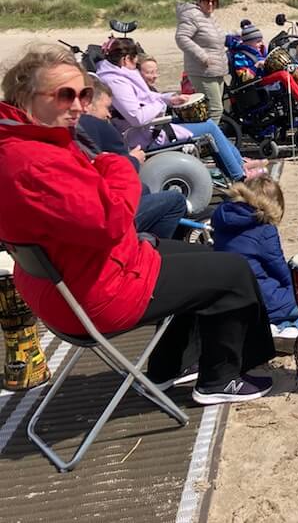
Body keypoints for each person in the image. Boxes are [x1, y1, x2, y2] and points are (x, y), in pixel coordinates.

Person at [0, 44, 275, 404]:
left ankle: (168, 367)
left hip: (65, 280)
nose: (80, 105)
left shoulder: (21, 141)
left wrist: (103, 176)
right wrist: (119, 165)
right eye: (64, 95)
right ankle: (218, 380)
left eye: (84, 94)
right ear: (25, 96)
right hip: (92, 294)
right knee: (233, 272)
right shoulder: (33, 160)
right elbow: (111, 222)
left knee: (203, 255)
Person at [95, 38, 264, 181]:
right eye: (134, 60)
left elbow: (147, 99)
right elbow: (136, 117)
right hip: (143, 135)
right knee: (210, 127)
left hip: (149, 128)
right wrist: (162, 104)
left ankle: (239, 164)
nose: (135, 65)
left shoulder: (116, 76)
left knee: (205, 122)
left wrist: (170, 99)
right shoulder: (116, 82)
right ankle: (239, 175)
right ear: (125, 60)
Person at [78, 75, 187, 239]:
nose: (109, 115)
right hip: (106, 218)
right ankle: (153, 248)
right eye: (107, 108)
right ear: (87, 105)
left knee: (144, 188)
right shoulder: (97, 126)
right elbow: (126, 172)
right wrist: (134, 159)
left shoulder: (70, 130)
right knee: (176, 200)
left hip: (94, 208)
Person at [211, 177, 298, 340]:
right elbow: (279, 268)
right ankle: (290, 327)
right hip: (259, 299)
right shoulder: (264, 229)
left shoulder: (222, 218)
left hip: (232, 297)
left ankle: (277, 326)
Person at [175, 0, 227, 123]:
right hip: (202, 70)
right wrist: (202, 56)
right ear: (199, 1)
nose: (210, 4)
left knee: (211, 110)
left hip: (216, 70)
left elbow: (216, 39)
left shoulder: (210, 17)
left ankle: (208, 141)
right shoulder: (192, 16)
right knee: (216, 109)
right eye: (206, 0)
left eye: (213, 1)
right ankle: (206, 142)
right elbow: (181, 37)